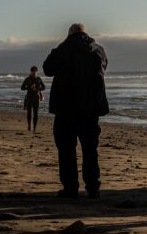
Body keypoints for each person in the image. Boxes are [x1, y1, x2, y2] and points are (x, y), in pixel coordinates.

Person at [43, 23, 109, 199]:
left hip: (66, 107)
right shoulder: (99, 50)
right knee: (90, 149)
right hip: (91, 108)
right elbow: (104, 67)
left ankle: (70, 188)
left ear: (69, 34)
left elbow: (47, 68)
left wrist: (60, 46)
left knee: (66, 150)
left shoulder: (64, 49)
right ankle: (93, 187)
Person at [20, 66, 46, 132]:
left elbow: (44, 87)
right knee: (29, 112)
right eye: (33, 71)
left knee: (36, 113)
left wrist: (37, 89)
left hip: (36, 97)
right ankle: (29, 125)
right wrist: (29, 87)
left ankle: (34, 127)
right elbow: (22, 87)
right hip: (29, 97)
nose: (34, 72)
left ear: (37, 71)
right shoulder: (28, 79)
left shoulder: (39, 79)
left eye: (35, 71)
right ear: (31, 72)